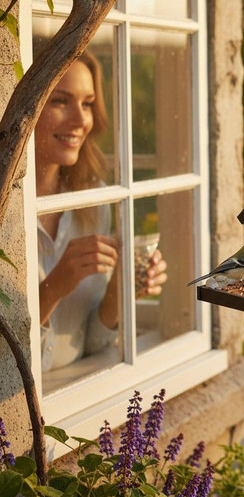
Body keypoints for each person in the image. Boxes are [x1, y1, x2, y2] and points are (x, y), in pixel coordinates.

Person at [35, 50, 168, 372]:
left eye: (88, 103)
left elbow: (89, 342)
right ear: (27, 107)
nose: (81, 120)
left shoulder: (93, 202)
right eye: (60, 101)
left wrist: (121, 291)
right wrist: (51, 289)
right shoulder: (6, 210)